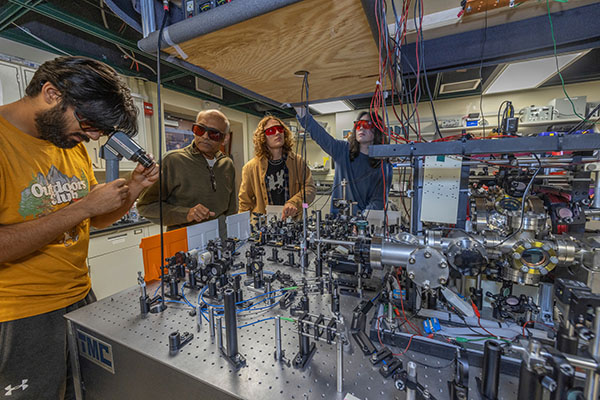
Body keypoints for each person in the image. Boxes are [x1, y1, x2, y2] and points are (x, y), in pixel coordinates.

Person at [0, 56, 159, 399]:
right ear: (52, 94)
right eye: (87, 123)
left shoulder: (67, 143)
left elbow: (94, 218)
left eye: (97, 131)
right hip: (20, 315)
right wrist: (83, 206)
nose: (89, 137)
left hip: (81, 298)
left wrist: (133, 188)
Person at [137, 109, 237, 235]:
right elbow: (146, 207)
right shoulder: (173, 161)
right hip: (183, 243)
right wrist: (186, 214)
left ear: (225, 139)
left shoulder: (227, 164)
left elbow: (232, 209)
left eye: (214, 134)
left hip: (220, 239)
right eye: (200, 130)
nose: (205, 136)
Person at [295, 108, 392, 215]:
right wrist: (301, 111)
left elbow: (378, 201)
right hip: (337, 222)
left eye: (367, 124)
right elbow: (320, 135)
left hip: (364, 224)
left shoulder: (384, 165)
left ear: (378, 130)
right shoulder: (342, 150)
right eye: (358, 124)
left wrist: (361, 221)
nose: (361, 128)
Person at [239, 116, 315, 220]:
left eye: (280, 129)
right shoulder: (250, 168)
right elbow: (245, 203)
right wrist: (242, 231)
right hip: (263, 227)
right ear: (263, 137)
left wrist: (294, 202)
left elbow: (310, 188)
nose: (277, 133)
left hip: (292, 224)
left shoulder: (297, 162)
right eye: (271, 131)